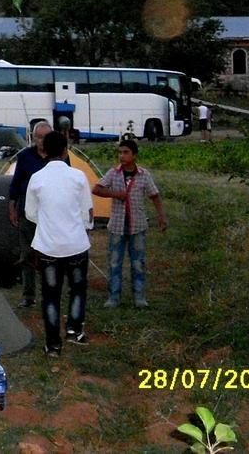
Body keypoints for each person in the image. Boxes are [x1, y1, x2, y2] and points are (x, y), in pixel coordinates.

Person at [25, 131, 93, 357]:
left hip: (48, 247)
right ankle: (74, 330)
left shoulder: (36, 178)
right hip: (76, 245)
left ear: (44, 151)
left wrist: (48, 222)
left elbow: (30, 213)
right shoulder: (78, 177)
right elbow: (87, 213)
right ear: (66, 150)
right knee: (78, 290)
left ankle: (53, 345)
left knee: (51, 296)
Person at [92, 138, 167, 308]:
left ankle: (139, 297)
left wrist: (161, 217)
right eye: (120, 152)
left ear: (134, 155)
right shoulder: (114, 173)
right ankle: (113, 297)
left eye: (126, 152)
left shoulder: (143, 175)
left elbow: (154, 195)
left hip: (138, 225)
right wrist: (115, 194)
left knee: (138, 263)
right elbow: (96, 189)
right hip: (117, 225)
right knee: (114, 263)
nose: (122, 156)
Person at [8, 120, 54, 309]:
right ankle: (28, 295)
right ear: (33, 137)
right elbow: (16, 184)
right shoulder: (25, 156)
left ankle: (49, 293)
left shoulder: (58, 156)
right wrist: (12, 207)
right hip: (27, 212)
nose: (42, 140)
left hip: (50, 214)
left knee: (49, 255)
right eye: (39, 137)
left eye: (46, 137)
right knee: (27, 254)